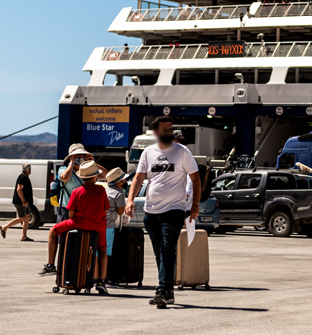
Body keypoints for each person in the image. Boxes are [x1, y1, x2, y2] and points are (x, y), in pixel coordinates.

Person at [127, 116, 201, 308]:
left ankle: (163, 289)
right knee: (159, 251)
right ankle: (168, 291)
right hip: (151, 212)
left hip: (174, 210)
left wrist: (194, 206)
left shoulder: (182, 152)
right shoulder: (148, 152)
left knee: (167, 249)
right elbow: (138, 177)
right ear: (157, 133)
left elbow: (196, 178)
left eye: (171, 129)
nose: (170, 133)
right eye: (166, 130)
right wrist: (130, 200)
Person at [37, 161, 110, 295]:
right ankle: (101, 282)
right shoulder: (101, 190)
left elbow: (71, 214)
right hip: (98, 225)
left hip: (79, 223)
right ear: (95, 177)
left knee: (53, 231)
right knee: (103, 250)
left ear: (81, 177)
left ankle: (50, 265)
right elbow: (105, 210)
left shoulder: (77, 191)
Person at [57, 144, 106, 223]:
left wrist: (93, 163)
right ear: (71, 157)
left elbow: (106, 175)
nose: (80, 158)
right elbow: (65, 178)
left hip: (84, 209)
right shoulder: (64, 169)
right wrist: (71, 163)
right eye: (77, 156)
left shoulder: (87, 171)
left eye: (82, 155)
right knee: (65, 233)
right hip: (67, 209)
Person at [0, 163, 34, 241]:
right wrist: (23, 200)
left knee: (27, 217)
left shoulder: (25, 177)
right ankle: (4, 227)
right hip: (20, 202)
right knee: (22, 218)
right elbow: (19, 189)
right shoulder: (22, 177)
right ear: (28, 170)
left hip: (25, 202)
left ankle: (24, 236)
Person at [104, 168, 129, 260]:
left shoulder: (104, 190)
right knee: (106, 253)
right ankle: (104, 273)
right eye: (124, 180)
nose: (126, 182)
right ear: (119, 183)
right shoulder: (120, 193)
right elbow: (120, 212)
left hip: (99, 224)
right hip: (109, 225)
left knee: (97, 253)